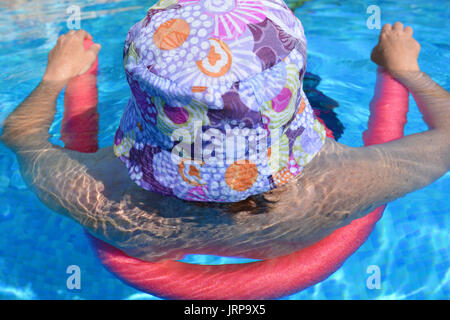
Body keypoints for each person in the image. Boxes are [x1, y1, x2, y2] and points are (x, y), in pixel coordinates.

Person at [1, 20, 449, 262]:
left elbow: (20, 135)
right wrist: (406, 69)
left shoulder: (101, 196)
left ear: (143, 117)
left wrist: (57, 76)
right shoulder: (341, 186)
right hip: (296, 223)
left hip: (147, 236)